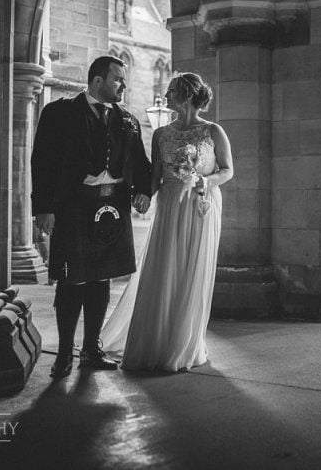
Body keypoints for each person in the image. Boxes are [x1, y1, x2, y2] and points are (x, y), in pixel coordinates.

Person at [100, 72, 233, 372]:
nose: (166, 94)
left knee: (192, 271)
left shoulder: (213, 131)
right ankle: (159, 341)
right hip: (171, 204)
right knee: (165, 268)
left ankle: (184, 343)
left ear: (186, 95)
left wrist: (206, 181)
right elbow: (155, 176)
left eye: (171, 90)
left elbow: (228, 170)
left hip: (201, 204)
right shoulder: (161, 134)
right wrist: (145, 196)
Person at [32, 56, 152, 379]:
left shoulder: (128, 120)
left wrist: (144, 190)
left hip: (113, 210)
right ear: (97, 81)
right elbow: (41, 161)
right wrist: (43, 208)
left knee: (102, 280)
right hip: (73, 208)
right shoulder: (59, 114)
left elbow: (140, 163)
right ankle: (65, 354)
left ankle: (91, 350)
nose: (123, 85)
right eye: (118, 79)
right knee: (72, 281)